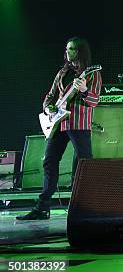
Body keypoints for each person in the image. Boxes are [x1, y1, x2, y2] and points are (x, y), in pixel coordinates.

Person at [17, 37, 102, 220]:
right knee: (49, 161)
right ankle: (43, 208)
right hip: (58, 123)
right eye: (66, 49)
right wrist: (48, 108)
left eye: (71, 49)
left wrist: (85, 90)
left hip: (78, 123)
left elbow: (95, 102)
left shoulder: (92, 74)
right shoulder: (62, 72)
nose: (67, 52)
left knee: (83, 164)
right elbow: (50, 95)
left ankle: (84, 206)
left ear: (80, 51)